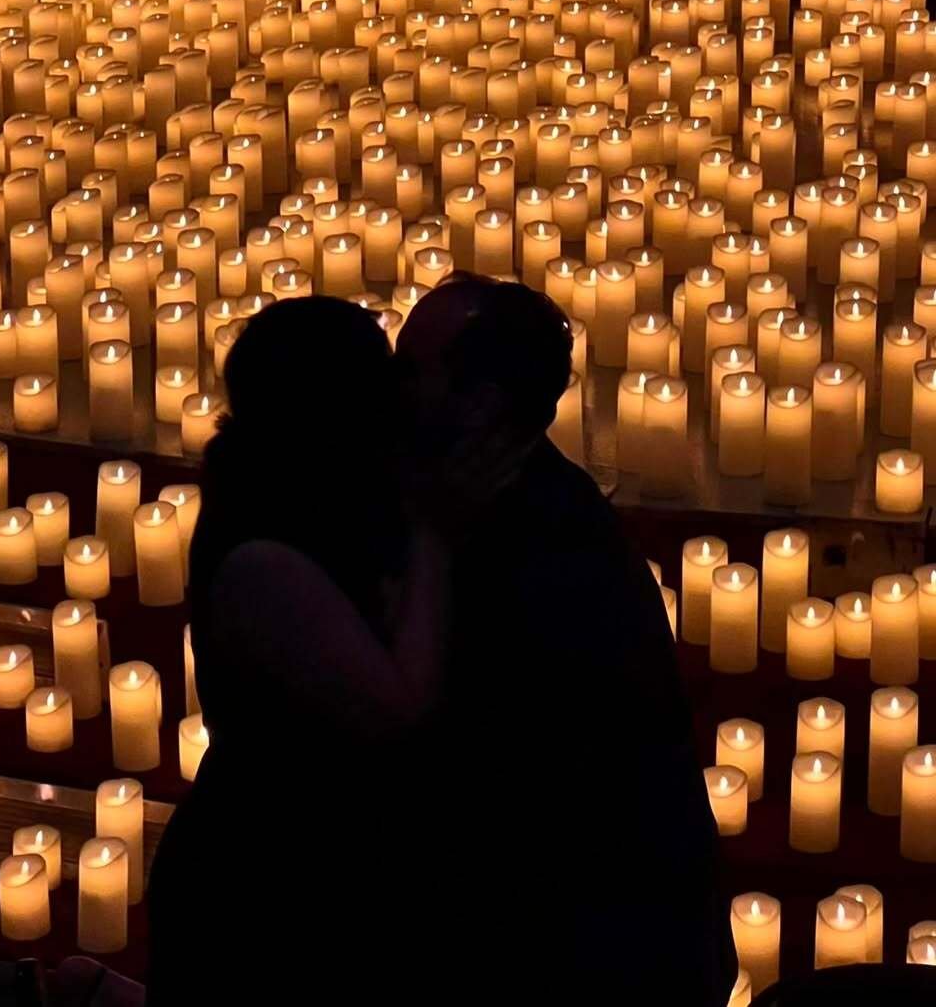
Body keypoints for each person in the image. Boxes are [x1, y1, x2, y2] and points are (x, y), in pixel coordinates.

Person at [395, 275, 737, 1006]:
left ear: (480, 404)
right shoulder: (483, 504)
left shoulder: (548, 552)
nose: (386, 394)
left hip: (592, 951)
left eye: (408, 372)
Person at [146, 296, 446, 1006]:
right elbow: (398, 707)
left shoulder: (315, 517)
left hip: (317, 866)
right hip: (268, 886)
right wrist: (438, 527)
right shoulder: (265, 561)